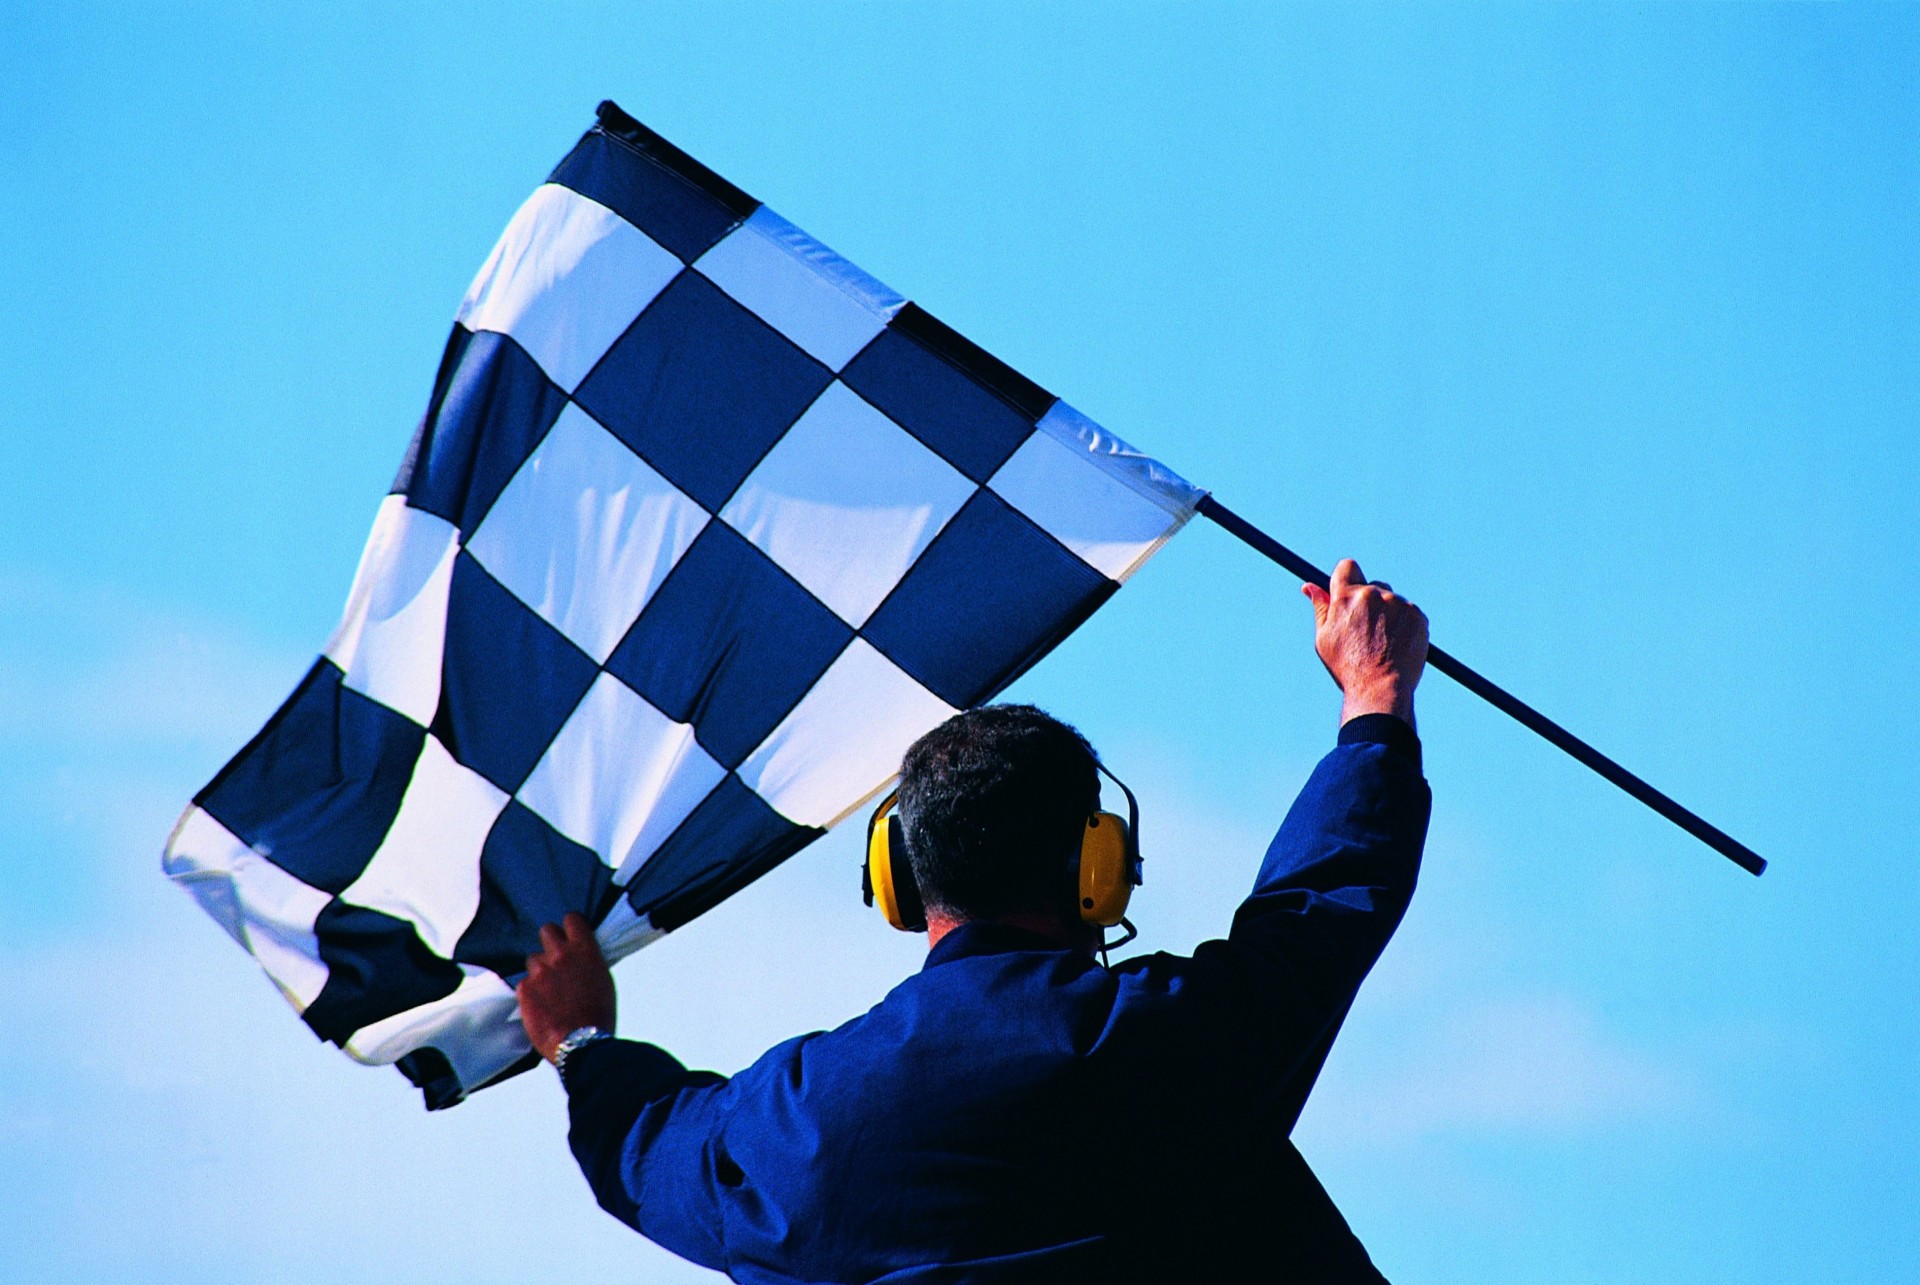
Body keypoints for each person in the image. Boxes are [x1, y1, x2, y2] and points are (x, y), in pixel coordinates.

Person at [519, 558, 1432, 1283]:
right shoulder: (1174, 1044)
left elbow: (646, 1150)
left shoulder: (792, 1124)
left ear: (900, 877)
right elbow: (1321, 902)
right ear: (1097, 866)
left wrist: (579, 1044)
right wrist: (1374, 696)